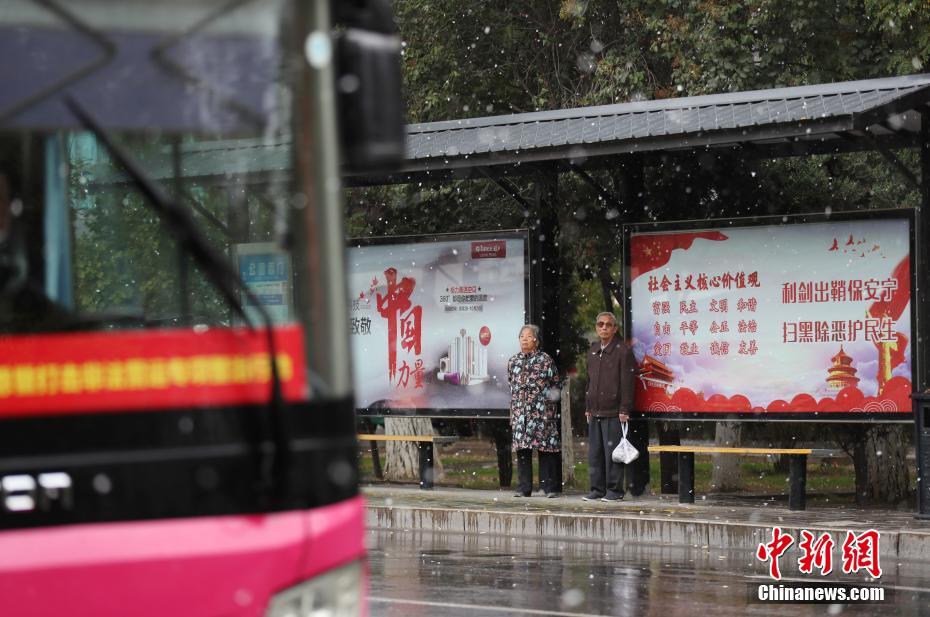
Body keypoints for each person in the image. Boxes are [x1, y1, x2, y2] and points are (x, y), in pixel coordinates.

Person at [583, 311, 644, 501]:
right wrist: (588, 406)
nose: (603, 328)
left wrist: (625, 408)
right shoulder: (593, 350)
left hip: (614, 412)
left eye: (608, 325)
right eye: (600, 324)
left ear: (614, 329)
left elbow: (627, 382)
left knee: (613, 454)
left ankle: (615, 491)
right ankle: (597, 489)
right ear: (596, 327)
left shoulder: (622, 351)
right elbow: (589, 381)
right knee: (596, 454)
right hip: (595, 411)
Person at [507, 324, 561, 498]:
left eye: (528, 336)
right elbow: (511, 385)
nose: (524, 339)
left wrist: (548, 406)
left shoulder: (545, 360)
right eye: (522, 336)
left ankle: (549, 488)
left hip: (542, 414)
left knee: (545, 451)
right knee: (523, 451)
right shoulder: (513, 361)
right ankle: (524, 488)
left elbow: (555, 385)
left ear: (536, 340)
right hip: (520, 414)